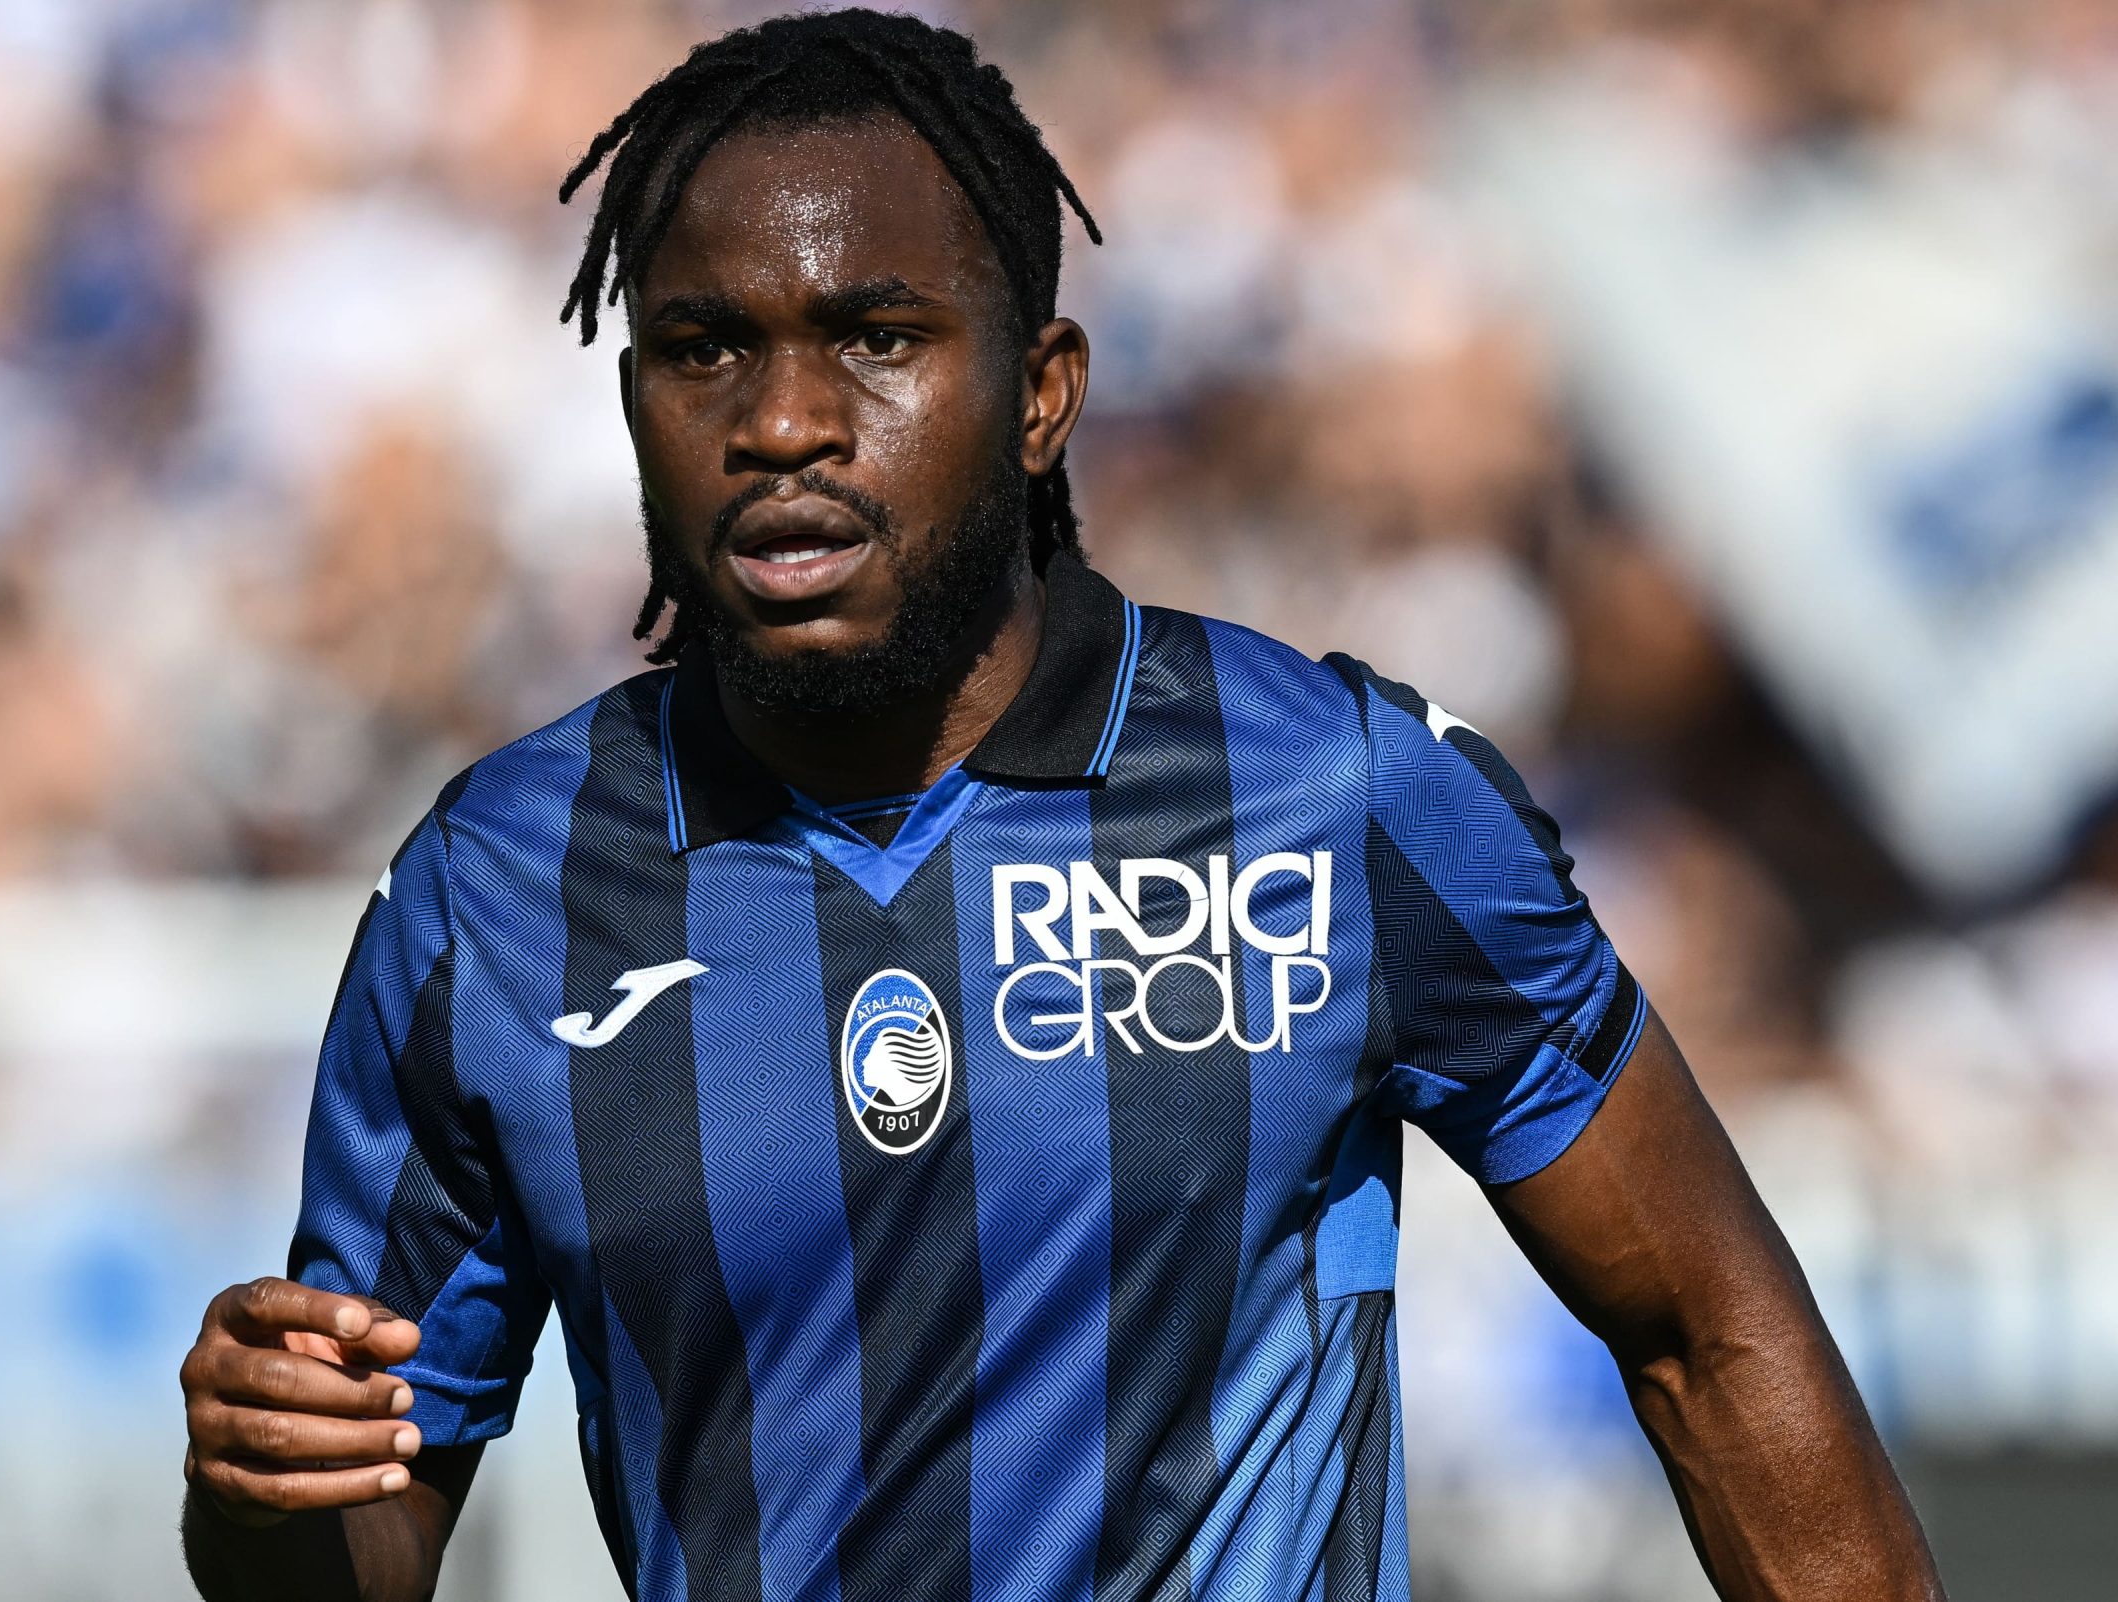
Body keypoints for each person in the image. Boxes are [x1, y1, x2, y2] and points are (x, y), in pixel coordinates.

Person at [178, 11, 1947, 1599]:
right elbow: (357, 1527)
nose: (783, 421)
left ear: (1042, 395)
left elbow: (1705, 1326)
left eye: (876, 337)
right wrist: (260, 1486)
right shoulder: (497, 892)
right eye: (703, 348)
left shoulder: (1332, 794)